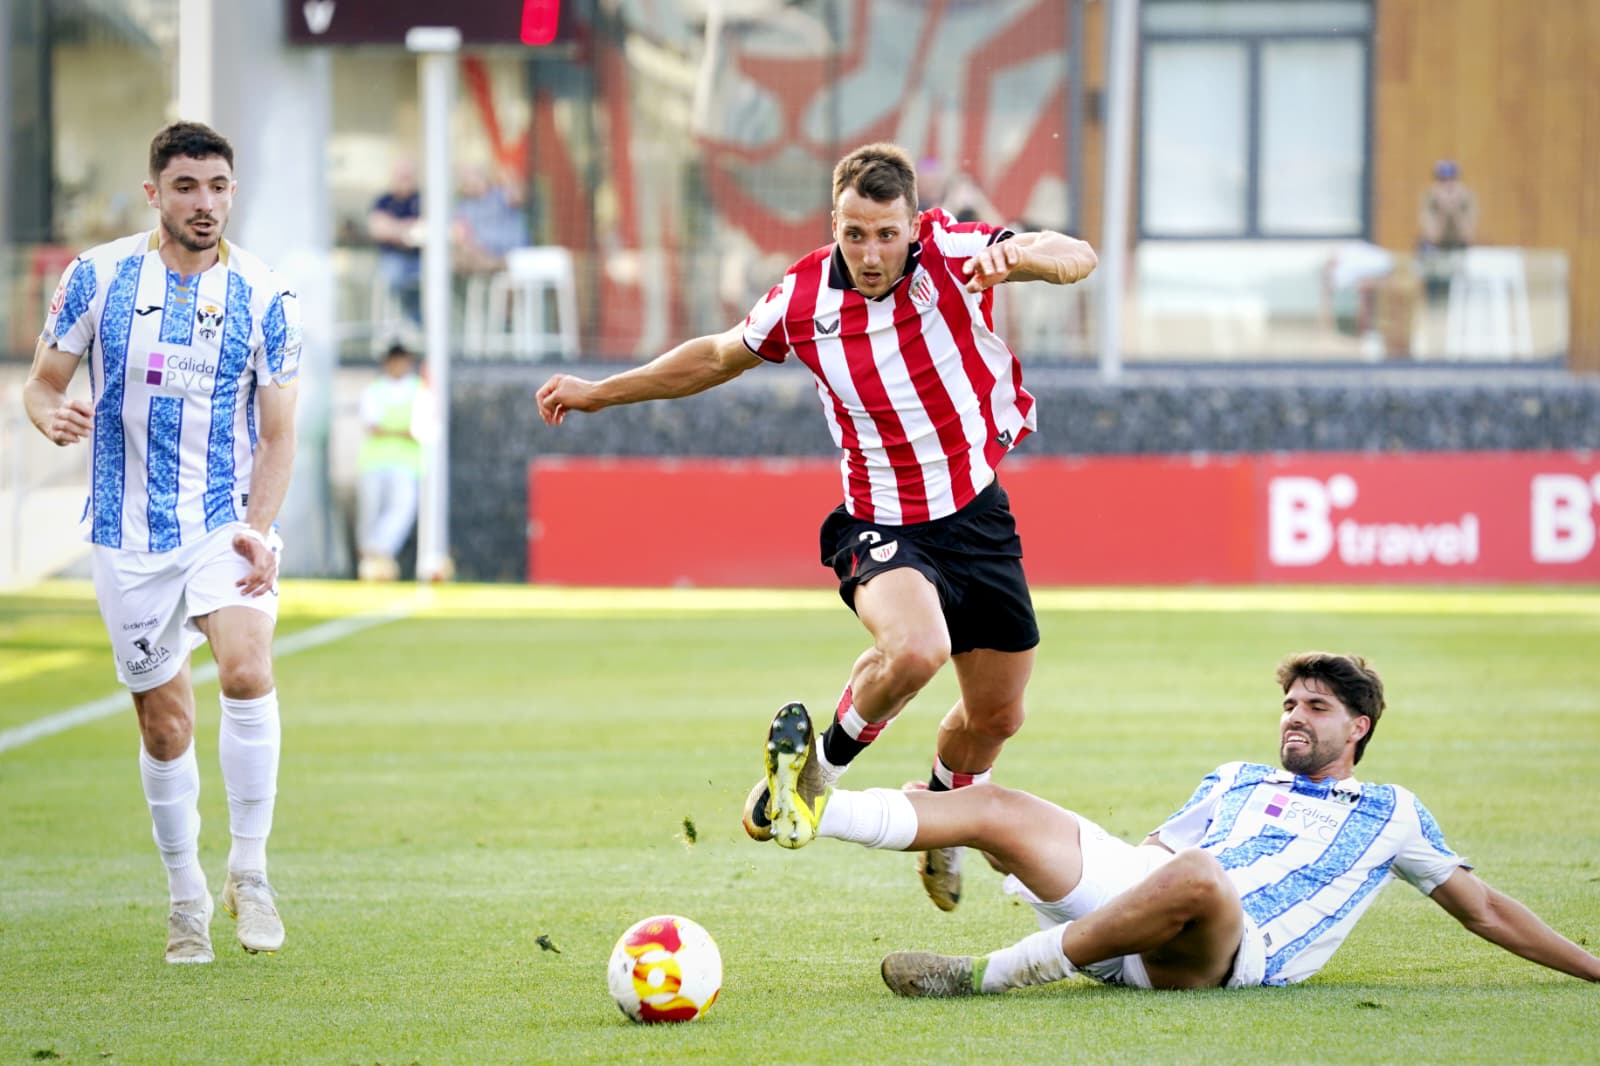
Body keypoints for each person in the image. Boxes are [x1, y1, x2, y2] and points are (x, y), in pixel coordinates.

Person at [536, 142, 1097, 910]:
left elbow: (1072, 253)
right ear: (833, 223)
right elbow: (714, 356)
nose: (870, 253)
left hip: (977, 517)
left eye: (885, 234)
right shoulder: (803, 299)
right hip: (879, 521)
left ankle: (941, 812)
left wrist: (1028, 257)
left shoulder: (953, 252)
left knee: (998, 715)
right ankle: (815, 774)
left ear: (911, 225)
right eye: (853, 233)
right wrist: (601, 391)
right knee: (917, 647)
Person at [754, 652, 1600, 995]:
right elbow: (1157, 850)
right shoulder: (1235, 778)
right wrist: (1055, 868)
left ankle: (983, 976)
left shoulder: (1393, 813)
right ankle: (809, 807)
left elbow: (1484, 911)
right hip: (1142, 904)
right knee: (999, 804)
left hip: (1223, 951)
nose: (1294, 718)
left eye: (1317, 708)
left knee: (1200, 880)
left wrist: (1592, 968)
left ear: (1360, 728)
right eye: (1289, 705)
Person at [22, 121, 301, 964]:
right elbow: (41, 385)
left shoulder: (266, 295)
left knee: (248, 669)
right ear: (154, 193)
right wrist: (51, 415)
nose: (205, 203)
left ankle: (249, 873)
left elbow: (280, 433)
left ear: (233, 191)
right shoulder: (97, 277)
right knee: (165, 725)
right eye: (186, 187)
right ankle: (185, 896)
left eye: (218, 186)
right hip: (126, 532)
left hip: (224, 521)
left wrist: (258, 528)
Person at [356, 339, 430, 581]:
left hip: (406, 464)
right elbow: (372, 427)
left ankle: (381, 551)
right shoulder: (374, 390)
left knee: (401, 510)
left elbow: (421, 429)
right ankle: (369, 560)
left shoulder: (420, 390)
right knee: (371, 512)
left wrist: (392, 430)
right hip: (375, 462)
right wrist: (402, 431)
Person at [368, 158, 422, 325]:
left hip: (419, 259)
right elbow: (378, 230)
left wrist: (394, 228)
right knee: (395, 275)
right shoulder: (384, 201)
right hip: (392, 258)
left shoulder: (422, 200)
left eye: (407, 175)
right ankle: (403, 325)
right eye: (401, 175)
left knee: (431, 280)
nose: (404, 179)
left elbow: (425, 230)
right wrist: (407, 230)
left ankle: (416, 325)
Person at [1417, 159, 1477, 301]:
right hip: (1438, 247)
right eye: (1443, 180)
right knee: (1426, 250)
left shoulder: (1466, 199)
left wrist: (1455, 211)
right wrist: (1443, 210)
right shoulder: (1429, 199)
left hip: (1457, 246)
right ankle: (1434, 299)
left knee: (1464, 256)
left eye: (1452, 180)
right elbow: (1433, 237)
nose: (1448, 185)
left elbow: (1467, 236)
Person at [452, 163, 528, 275]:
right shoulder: (463, 206)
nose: (468, 182)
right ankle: (497, 265)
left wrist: (508, 179)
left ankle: (498, 265)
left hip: (512, 251)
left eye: (472, 176)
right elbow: (460, 234)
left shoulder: (501, 194)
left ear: (483, 177)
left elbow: (519, 197)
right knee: (457, 258)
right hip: (481, 256)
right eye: (464, 179)